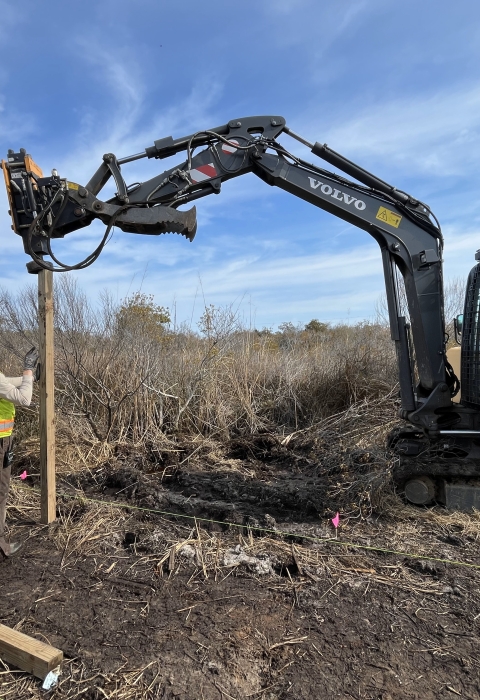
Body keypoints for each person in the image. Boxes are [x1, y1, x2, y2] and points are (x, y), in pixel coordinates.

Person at [0, 347, 39, 558]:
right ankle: (0, 545)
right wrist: (27, 369)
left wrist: (30, 376)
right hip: (0, 443)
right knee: (1, 491)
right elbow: (24, 399)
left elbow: (4, 383)